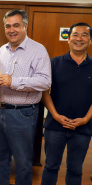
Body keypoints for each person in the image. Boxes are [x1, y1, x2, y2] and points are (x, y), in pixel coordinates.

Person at [0, 9, 51, 185]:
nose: (11, 30)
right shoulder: (2, 50)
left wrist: (13, 81)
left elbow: (45, 82)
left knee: (23, 163)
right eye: (8, 26)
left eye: (16, 25)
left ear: (25, 26)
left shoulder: (38, 50)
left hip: (23, 114)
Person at [41, 22, 92, 185]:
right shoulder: (54, 63)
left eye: (85, 35)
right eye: (75, 35)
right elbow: (44, 91)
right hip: (55, 126)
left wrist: (85, 119)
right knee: (50, 167)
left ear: (90, 41)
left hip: (83, 128)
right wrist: (56, 116)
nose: (79, 38)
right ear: (68, 39)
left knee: (75, 171)